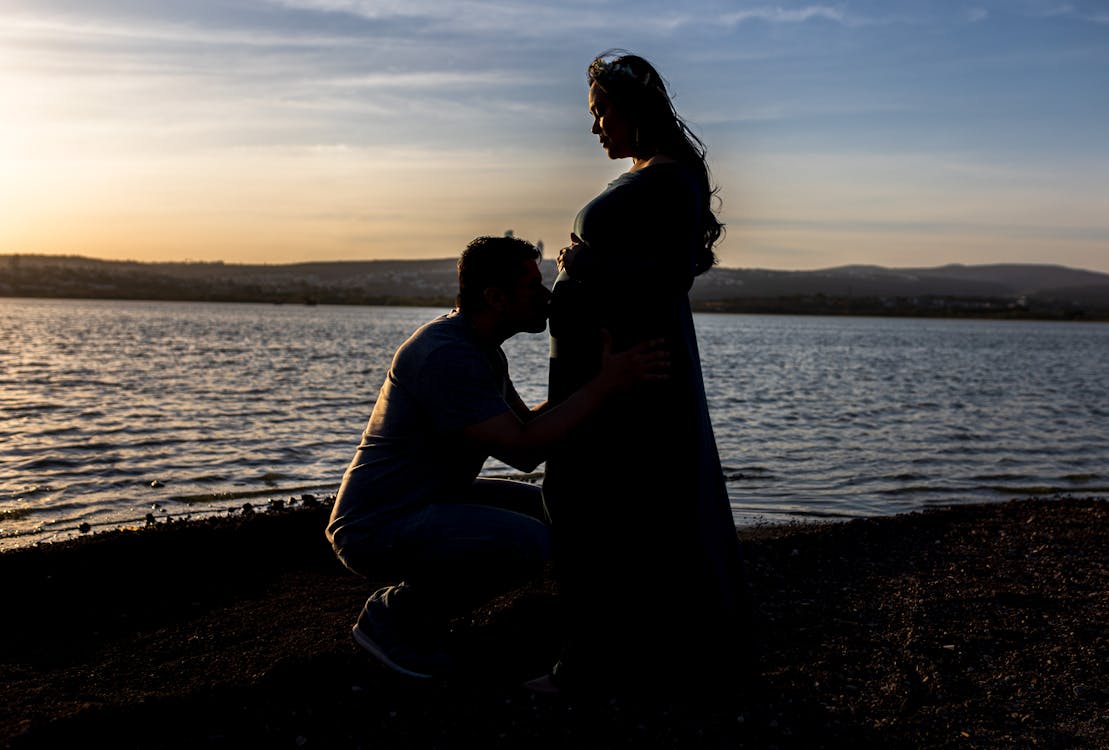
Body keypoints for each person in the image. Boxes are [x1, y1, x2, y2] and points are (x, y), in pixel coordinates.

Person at [325, 234, 668, 680]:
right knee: (528, 542)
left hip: (433, 499)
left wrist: (600, 378)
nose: (547, 296)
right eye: (532, 286)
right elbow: (524, 450)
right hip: (376, 525)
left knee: (554, 512)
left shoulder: (479, 347)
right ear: (495, 297)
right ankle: (394, 618)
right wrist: (604, 387)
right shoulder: (446, 354)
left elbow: (525, 424)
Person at [535, 50, 751, 695]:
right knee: (590, 504)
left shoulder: (672, 178)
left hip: (627, 372)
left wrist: (587, 267)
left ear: (634, 113)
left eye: (602, 114)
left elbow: (671, 276)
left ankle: (595, 666)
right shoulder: (645, 175)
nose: (595, 127)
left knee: (604, 508)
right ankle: (611, 658)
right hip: (600, 366)